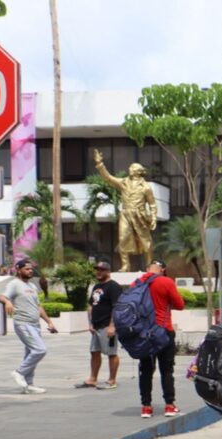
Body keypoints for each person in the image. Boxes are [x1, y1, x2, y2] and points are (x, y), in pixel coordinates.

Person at [133, 260, 185, 419]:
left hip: (144, 334)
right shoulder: (166, 282)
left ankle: (146, 407)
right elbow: (180, 304)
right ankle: (169, 405)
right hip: (164, 331)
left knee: (146, 370)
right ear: (162, 270)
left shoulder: (137, 283)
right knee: (167, 370)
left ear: (148, 269)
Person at [93, 149, 158, 271]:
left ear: (137, 172)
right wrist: (100, 164)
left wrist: (153, 217)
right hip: (126, 214)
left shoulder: (146, 187)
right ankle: (125, 265)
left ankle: (149, 265)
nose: (129, 170)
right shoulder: (123, 182)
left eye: (132, 168)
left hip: (140, 215)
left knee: (146, 242)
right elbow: (108, 178)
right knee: (122, 239)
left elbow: (152, 204)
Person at [0, 259, 57, 394]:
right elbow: (2, 297)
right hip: (23, 323)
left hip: (35, 325)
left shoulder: (32, 286)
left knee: (30, 354)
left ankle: (28, 384)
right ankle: (19, 372)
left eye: (31, 269)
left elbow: (38, 306)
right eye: (27, 269)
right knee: (40, 350)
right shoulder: (14, 284)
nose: (30, 271)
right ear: (18, 270)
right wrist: (7, 302)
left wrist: (49, 322)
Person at [77, 261, 122, 389]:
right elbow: (91, 304)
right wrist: (90, 323)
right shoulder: (96, 286)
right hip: (96, 326)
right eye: (97, 269)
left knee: (111, 353)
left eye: (102, 270)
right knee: (94, 352)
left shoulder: (114, 287)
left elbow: (116, 306)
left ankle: (112, 380)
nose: (98, 272)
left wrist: (112, 325)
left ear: (108, 271)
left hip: (107, 325)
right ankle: (93, 379)